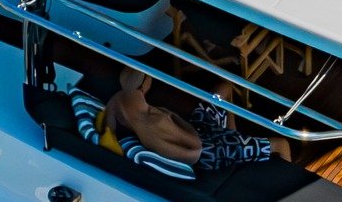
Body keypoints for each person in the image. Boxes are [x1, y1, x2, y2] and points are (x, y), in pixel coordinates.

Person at [105, 67, 292, 174]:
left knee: (225, 88)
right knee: (281, 144)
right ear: (144, 84)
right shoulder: (155, 124)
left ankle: (234, 133)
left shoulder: (116, 103)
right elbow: (194, 150)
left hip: (202, 131)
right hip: (210, 148)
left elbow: (107, 130)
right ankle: (288, 182)